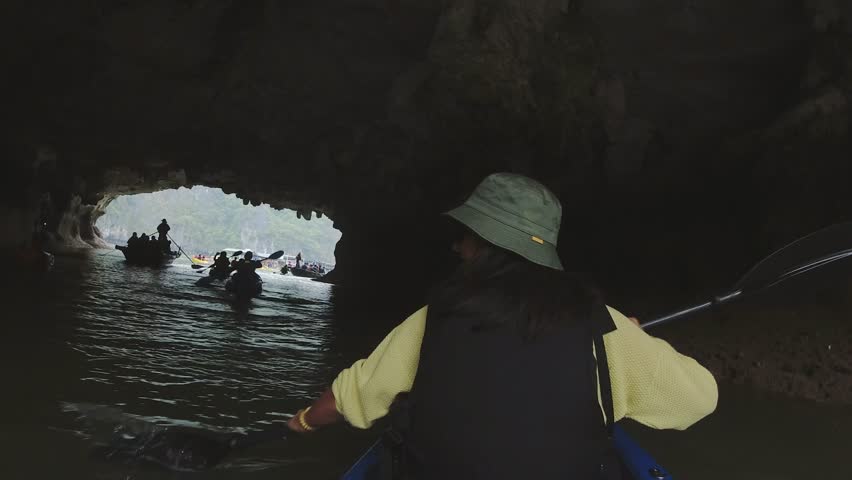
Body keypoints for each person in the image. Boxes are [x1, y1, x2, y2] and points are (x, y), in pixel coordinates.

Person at [285, 173, 718, 479]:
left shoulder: (434, 317)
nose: (457, 246)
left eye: (466, 237)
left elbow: (347, 399)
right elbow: (700, 399)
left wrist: (303, 422)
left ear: (485, 246)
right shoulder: (606, 328)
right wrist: (635, 340)